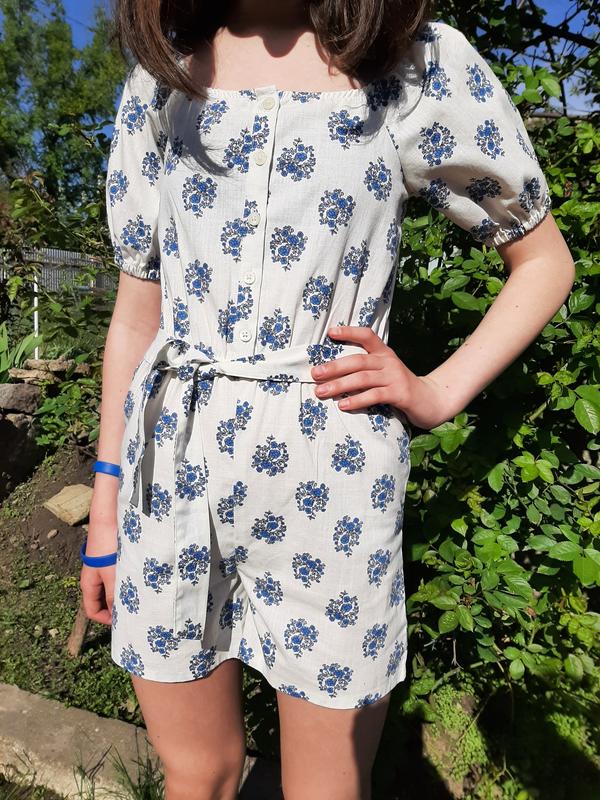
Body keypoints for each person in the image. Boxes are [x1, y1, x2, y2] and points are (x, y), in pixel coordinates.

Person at [79, 1, 575, 798]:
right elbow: (137, 316)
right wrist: (104, 513)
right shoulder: (161, 79)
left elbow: (544, 260)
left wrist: (436, 392)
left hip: (331, 477)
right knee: (195, 774)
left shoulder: (410, 65)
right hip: (168, 474)